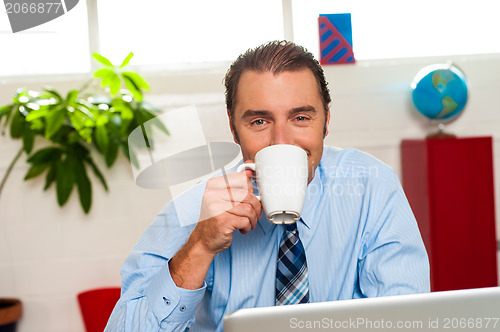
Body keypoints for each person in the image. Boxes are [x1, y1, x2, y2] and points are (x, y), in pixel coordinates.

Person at [105, 40, 430, 331]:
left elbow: (407, 318)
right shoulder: (195, 208)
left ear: (326, 121)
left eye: (300, 118)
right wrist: (200, 247)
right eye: (259, 121)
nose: (281, 142)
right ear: (234, 130)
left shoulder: (372, 186)